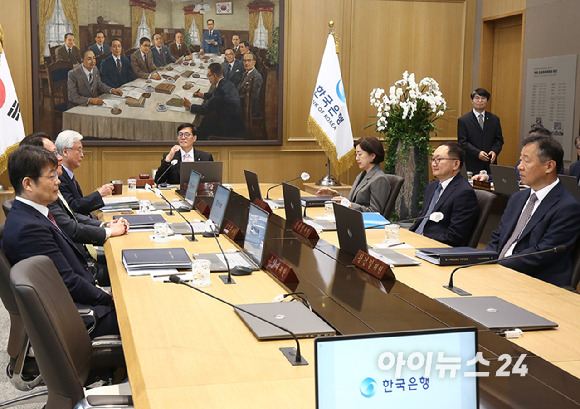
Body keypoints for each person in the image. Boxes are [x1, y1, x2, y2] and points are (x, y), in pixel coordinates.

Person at [2, 145, 119, 338]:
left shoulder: (33, 213)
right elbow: (68, 283)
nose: (58, 182)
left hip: (79, 299)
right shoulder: (30, 229)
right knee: (145, 315)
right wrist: (106, 297)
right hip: (76, 318)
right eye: (52, 177)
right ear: (28, 184)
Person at [487, 135, 580, 286]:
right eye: (520, 160)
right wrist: (484, 262)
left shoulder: (567, 207)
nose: (519, 166)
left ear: (549, 166)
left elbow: (541, 255)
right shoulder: (517, 198)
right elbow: (497, 238)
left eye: (526, 161)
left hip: (534, 282)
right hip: (499, 274)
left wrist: (498, 267)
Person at [409, 142, 479, 246]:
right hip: (415, 240)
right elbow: (422, 219)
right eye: (433, 159)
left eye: (439, 159)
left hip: (435, 248)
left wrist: (421, 240)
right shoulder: (432, 186)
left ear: (455, 164)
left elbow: (455, 236)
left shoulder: (464, 193)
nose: (433, 164)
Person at [316, 136, 391, 215]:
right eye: (356, 154)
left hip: (365, 224)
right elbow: (353, 202)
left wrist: (349, 204)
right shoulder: (361, 175)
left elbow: (375, 212)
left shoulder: (379, 179)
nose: (357, 158)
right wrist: (336, 195)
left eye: (360, 154)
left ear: (372, 156)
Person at [55, 130, 114, 215]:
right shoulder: (59, 177)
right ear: (65, 152)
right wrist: (99, 194)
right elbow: (73, 207)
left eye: (82, 151)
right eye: (79, 150)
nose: (82, 155)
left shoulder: (69, 175)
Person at [183, 63, 243, 140]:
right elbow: (217, 97)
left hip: (229, 125)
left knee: (201, 127)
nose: (208, 78)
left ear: (214, 75)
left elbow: (205, 110)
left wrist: (190, 106)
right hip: (233, 118)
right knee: (204, 121)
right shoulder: (226, 83)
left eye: (209, 75)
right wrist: (203, 95)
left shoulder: (220, 89)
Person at [457, 88, 504, 174]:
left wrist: (494, 151)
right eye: (477, 98)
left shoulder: (494, 119)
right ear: (472, 101)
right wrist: (477, 153)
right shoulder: (464, 120)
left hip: (490, 164)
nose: (480, 101)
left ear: (487, 101)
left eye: (483, 98)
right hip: (472, 163)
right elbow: (462, 142)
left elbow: (499, 140)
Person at [237, 53, 263, 117]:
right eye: (245, 61)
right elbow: (239, 88)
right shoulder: (246, 73)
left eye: (249, 60)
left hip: (249, 109)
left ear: (254, 62)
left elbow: (252, 97)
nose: (246, 63)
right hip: (242, 103)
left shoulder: (257, 77)